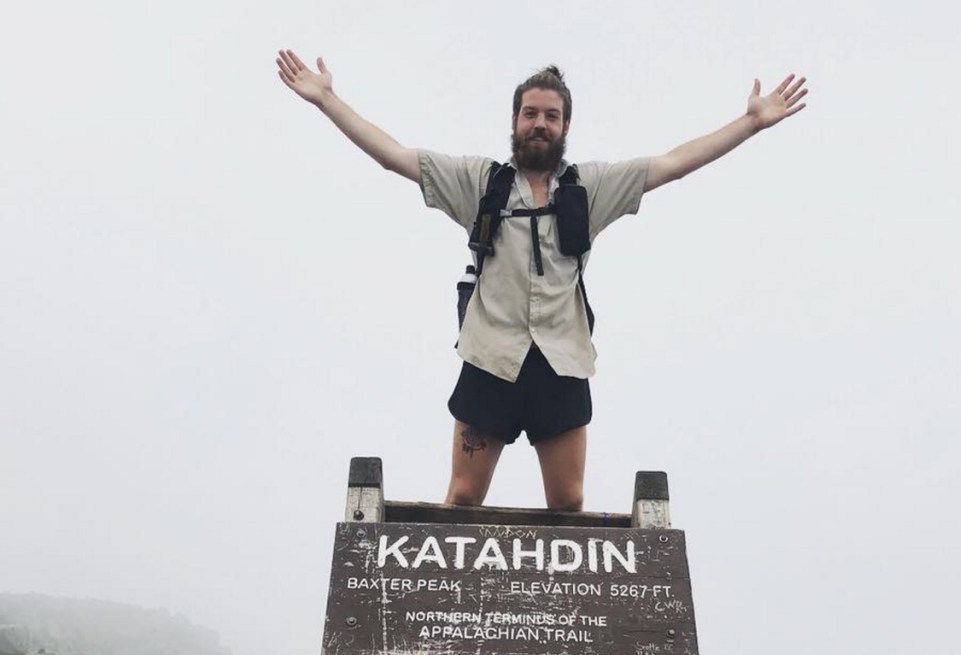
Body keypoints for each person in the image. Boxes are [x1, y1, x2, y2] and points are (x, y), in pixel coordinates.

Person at [276, 53, 807, 510]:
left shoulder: (589, 188)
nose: (540, 123)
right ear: (514, 120)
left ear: (565, 127)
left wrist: (751, 123)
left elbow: (672, 165)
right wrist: (327, 101)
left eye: (551, 116)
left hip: (561, 361)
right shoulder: (480, 183)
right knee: (462, 497)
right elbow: (395, 157)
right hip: (490, 358)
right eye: (530, 113)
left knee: (569, 503)